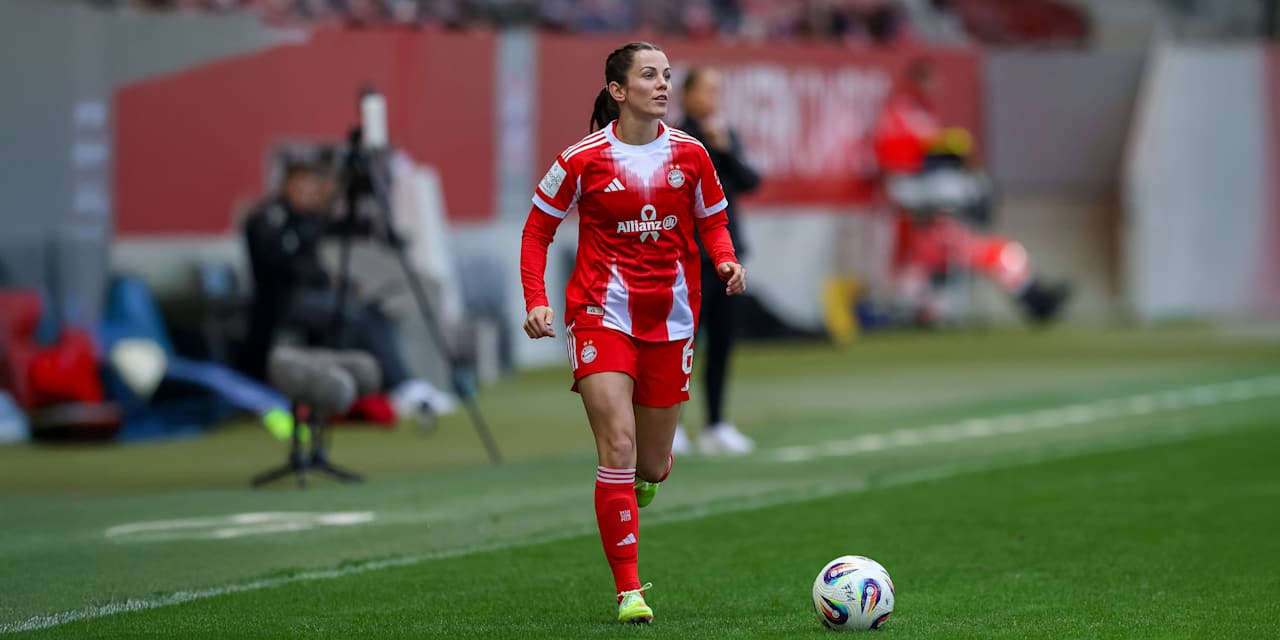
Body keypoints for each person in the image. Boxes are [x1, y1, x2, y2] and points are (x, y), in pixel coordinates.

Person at [519, 42, 746, 624]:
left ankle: (645, 478)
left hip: (671, 319)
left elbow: (713, 219)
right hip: (600, 313)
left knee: (651, 464)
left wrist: (725, 260)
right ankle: (629, 592)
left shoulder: (691, 154)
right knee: (616, 446)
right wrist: (538, 301)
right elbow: (537, 230)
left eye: (667, 75)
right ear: (618, 91)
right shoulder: (581, 159)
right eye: (649, 75)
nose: (663, 84)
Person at [240, 154, 451, 425]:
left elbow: (316, 268)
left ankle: (393, 386)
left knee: (373, 312)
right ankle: (397, 386)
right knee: (355, 316)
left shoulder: (307, 220)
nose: (307, 194)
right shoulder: (267, 219)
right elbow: (282, 267)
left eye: (311, 187)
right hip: (284, 302)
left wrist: (342, 287)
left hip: (313, 297)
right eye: (301, 186)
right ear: (286, 185)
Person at [873, 58, 1070, 326]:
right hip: (938, 251)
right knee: (1001, 255)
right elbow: (901, 165)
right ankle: (1035, 301)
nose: (932, 86)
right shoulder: (908, 128)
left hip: (944, 244)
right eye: (927, 80)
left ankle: (1037, 299)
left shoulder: (924, 127)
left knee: (1004, 253)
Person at [674, 66, 761, 455]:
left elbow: (750, 181)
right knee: (681, 342)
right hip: (689, 254)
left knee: (723, 341)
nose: (713, 98)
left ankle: (716, 423)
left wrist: (724, 148)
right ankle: (671, 426)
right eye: (706, 90)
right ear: (687, 94)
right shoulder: (677, 138)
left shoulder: (724, 135)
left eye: (716, 90)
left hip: (726, 254)